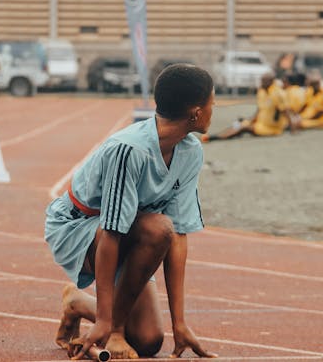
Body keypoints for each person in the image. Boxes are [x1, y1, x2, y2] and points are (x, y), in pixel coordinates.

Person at [45, 64, 216, 360]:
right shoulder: (129, 150)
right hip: (78, 225)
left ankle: (76, 302)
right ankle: (112, 326)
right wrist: (109, 329)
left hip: (133, 232)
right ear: (196, 113)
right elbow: (112, 233)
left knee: (148, 341)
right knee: (157, 228)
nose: (216, 108)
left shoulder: (191, 151)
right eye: (213, 102)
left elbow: (178, 235)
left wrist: (180, 324)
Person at [201, 73, 290, 141]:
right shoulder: (261, 91)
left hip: (272, 128)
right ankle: (220, 135)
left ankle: (216, 137)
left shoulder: (277, 93)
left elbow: (284, 111)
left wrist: (292, 128)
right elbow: (260, 109)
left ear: (271, 81)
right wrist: (251, 120)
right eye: (261, 81)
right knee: (242, 123)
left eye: (264, 81)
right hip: (261, 123)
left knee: (243, 127)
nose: (262, 83)